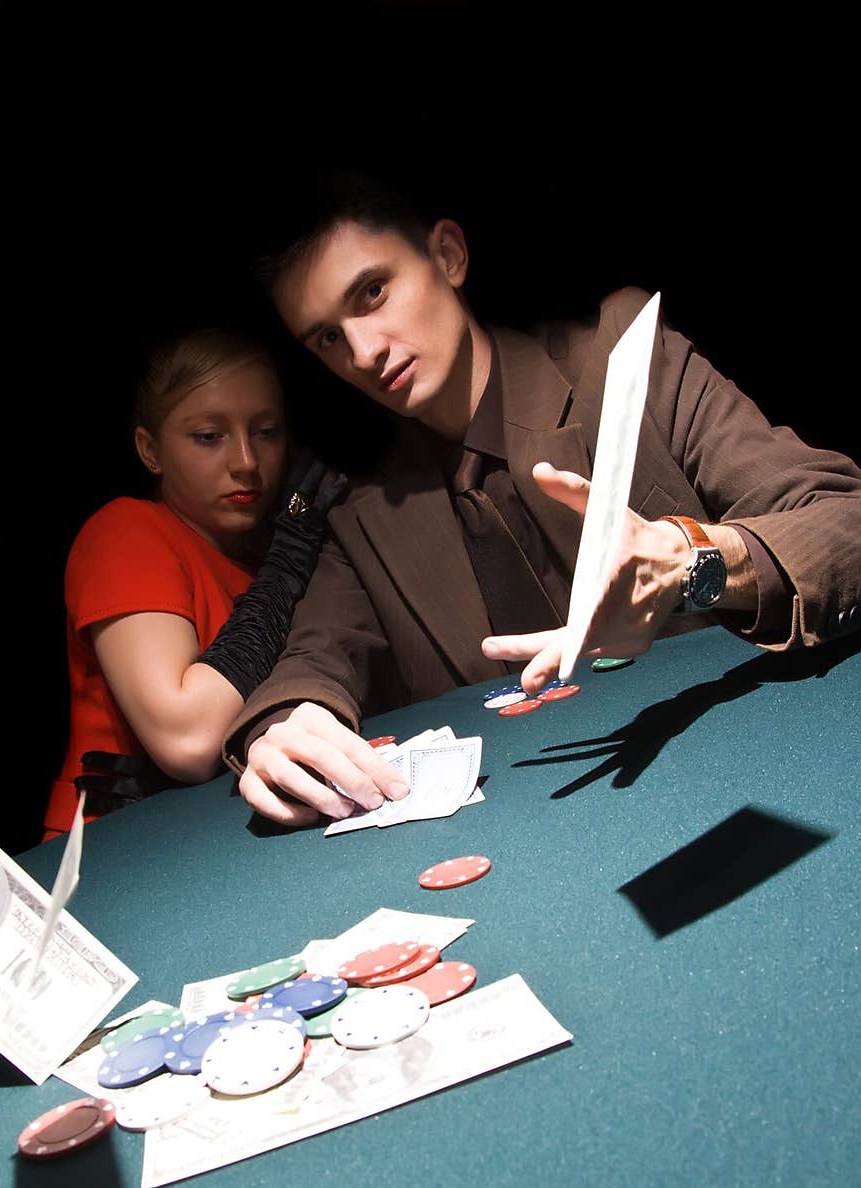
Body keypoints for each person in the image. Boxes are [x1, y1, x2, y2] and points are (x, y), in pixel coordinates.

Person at [222, 171, 861, 829]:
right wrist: (283, 727)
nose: (363, 351)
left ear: (448, 255)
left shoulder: (622, 360)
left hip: (764, 786)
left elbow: (846, 524)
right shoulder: (367, 510)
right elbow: (312, 663)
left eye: (373, 293)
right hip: (547, 844)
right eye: (327, 337)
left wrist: (694, 560)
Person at [44, 325, 344, 838]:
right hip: (113, 863)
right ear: (150, 449)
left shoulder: (255, 562)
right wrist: (291, 559)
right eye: (209, 437)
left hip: (211, 843)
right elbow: (188, 740)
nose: (246, 462)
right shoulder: (126, 530)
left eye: (266, 431)